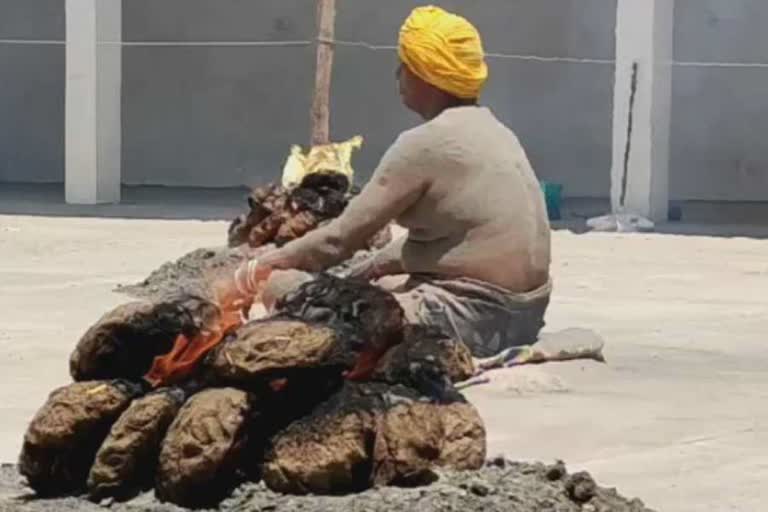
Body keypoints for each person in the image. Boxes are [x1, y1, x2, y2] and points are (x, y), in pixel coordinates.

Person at [229, 5, 551, 357]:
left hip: (471, 319)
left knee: (284, 286)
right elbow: (448, 245)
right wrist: (362, 274)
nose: (398, 75)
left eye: (405, 65)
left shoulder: (425, 143)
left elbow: (338, 240)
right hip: (527, 314)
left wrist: (256, 271)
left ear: (426, 75)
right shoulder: (498, 132)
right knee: (380, 282)